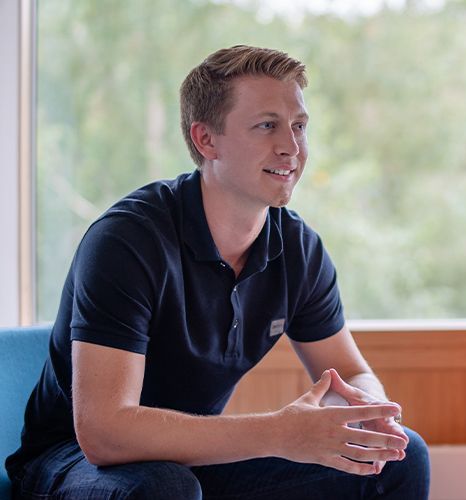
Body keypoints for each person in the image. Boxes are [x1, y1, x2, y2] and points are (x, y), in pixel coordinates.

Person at [6, 45, 430, 499]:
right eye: (267, 125)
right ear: (206, 140)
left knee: (397, 459)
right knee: (164, 487)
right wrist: (280, 432)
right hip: (74, 461)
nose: (291, 146)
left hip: (196, 460)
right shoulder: (127, 241)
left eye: (299, 126)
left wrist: (363, 409)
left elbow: (349, 371)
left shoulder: (298, 249)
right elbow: (104, 433)